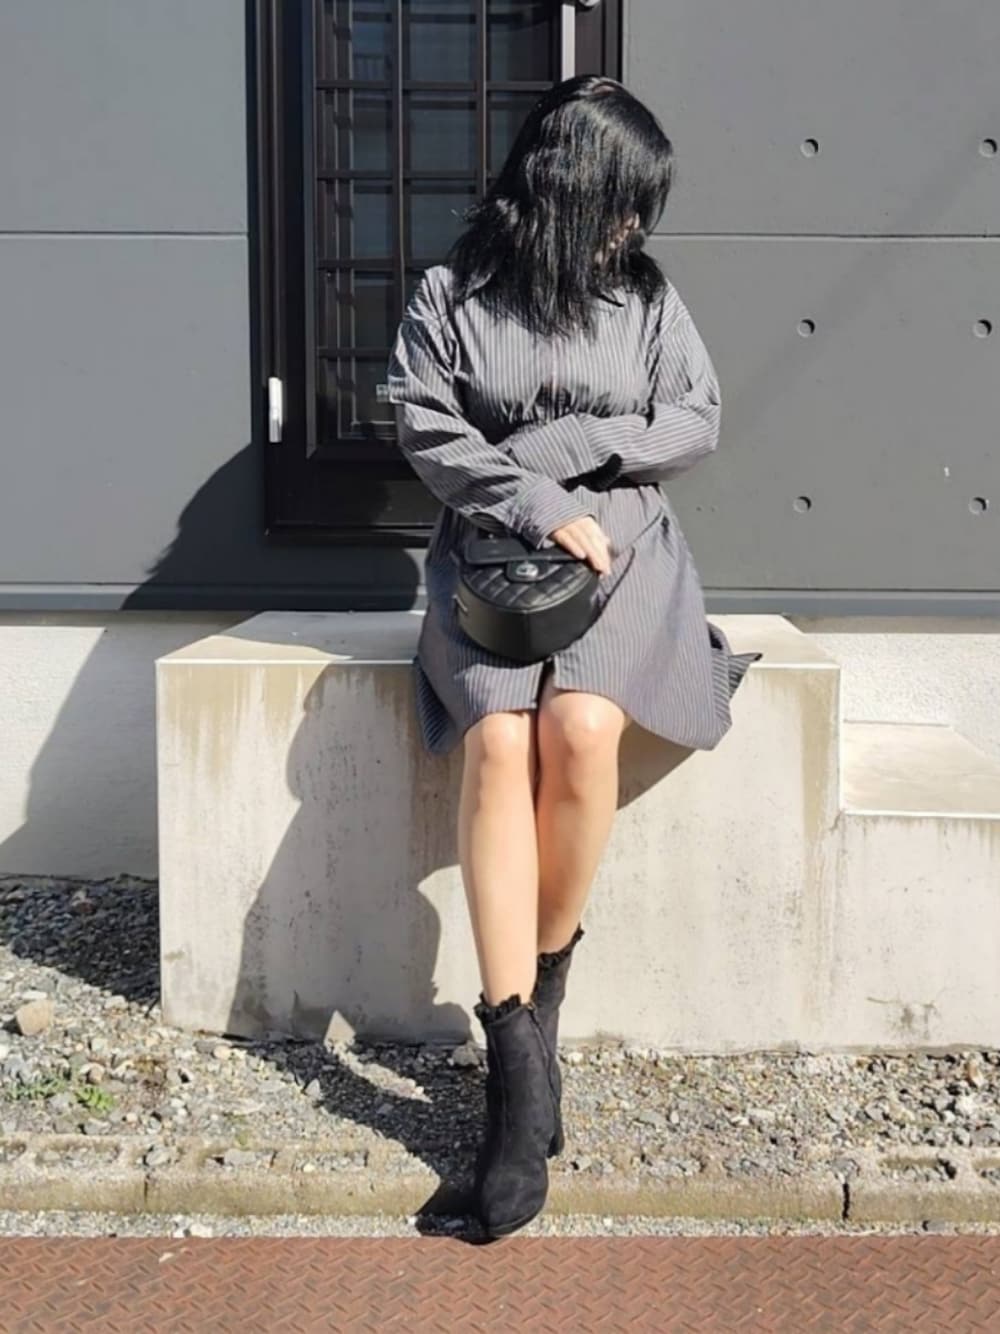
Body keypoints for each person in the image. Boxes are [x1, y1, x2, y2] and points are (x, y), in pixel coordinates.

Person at [386, 74, 762, 1238]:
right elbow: (425, 422)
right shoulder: (452, 295)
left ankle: (544, 997)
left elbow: (694, 416)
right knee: (499, 743)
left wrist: (586, 439)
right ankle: (513, 1065)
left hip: (627, 551)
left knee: (581, 728)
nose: (635, 223)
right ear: (566, 186)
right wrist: (539, 496)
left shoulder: (646, 296)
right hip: (496, 561)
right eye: (623, 198)